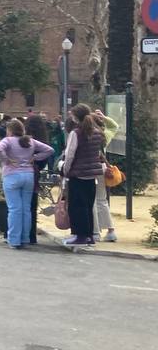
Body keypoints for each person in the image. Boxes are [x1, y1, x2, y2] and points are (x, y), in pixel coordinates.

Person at [0, 119, 54, 249]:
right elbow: (49, 150)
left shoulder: (8, 140)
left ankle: (14, 239)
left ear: (10, 130)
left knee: (14, 209)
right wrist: (35, 158)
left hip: (12, 175)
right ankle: (25, 238)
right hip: (28, 175)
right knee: (26, 209)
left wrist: (6, 160)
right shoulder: (30, 141)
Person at [60, 104, 106, 248]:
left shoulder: (76, 133)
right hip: (92, 174)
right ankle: (89, 236)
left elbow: (70, 155)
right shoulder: (97, 132)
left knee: (77, 206)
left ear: (76, 117)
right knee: (88, 205)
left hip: (78, 174)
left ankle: (79, 236)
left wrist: (65, 170)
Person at [92, 108, 119, 243]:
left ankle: (95, 232)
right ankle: (111, 230)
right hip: (103, 168)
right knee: (102, 200)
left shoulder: (89, 135)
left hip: (91, 169)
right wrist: (104, 117)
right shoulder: (104, 136)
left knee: (91, 201)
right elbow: (114, 126)